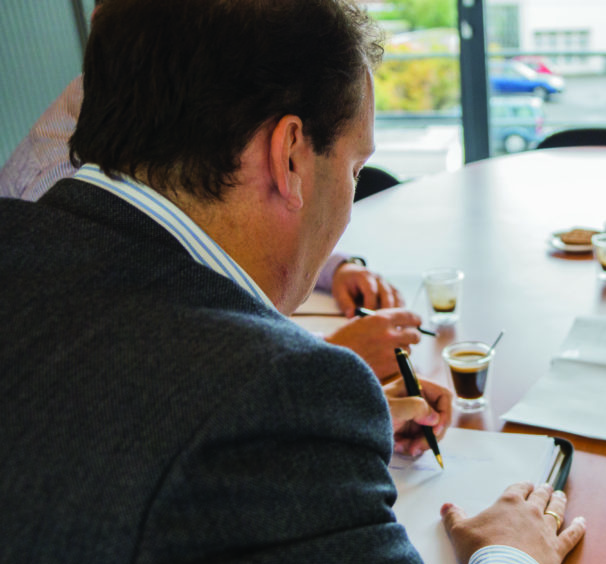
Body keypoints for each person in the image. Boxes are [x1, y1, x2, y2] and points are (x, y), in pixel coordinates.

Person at [0, 0, 585, 564]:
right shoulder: (268, 397)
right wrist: (512, 561)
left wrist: (331, 449)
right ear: (290, 157)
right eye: (356, 167)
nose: (351, 195)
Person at [0, 4, 420, 381]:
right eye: (355, 169)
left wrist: (336, 269)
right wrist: (324, 369)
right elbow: (126, 360)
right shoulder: (62, 193)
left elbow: (209, 201)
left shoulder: (150, 106)